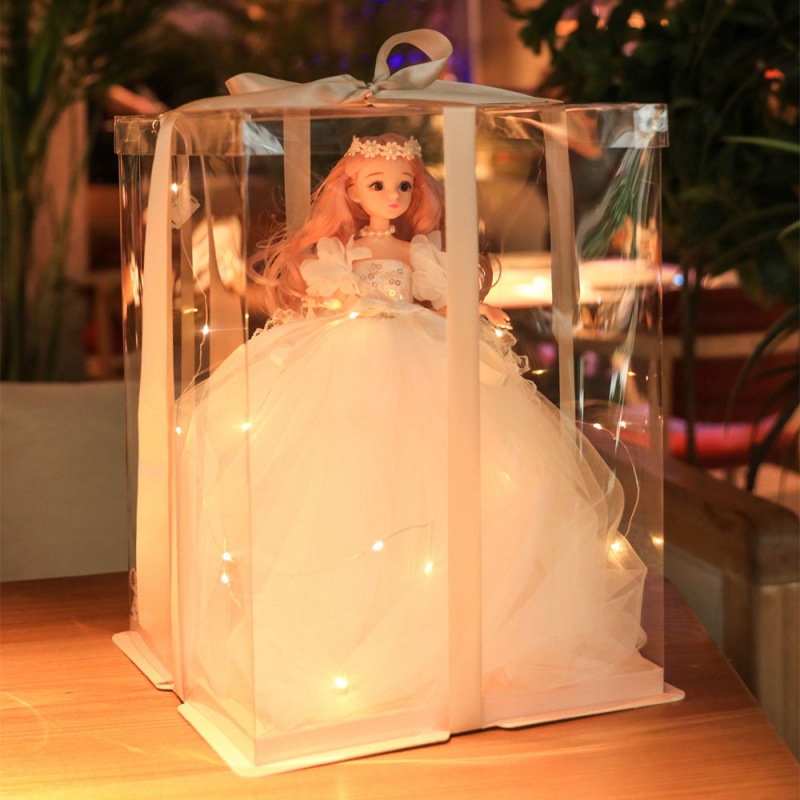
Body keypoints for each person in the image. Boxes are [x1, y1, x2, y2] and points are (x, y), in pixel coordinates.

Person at [176, 133, 649, 738]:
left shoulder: (415, 251)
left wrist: (476, 311)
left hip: (416, 351)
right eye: (378, 185)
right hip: (350, 356)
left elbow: (439, 302)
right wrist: (330, 313)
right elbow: (320, 299)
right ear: (352, 191)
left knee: (450, 467)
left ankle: (443, 625)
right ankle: (352, 612)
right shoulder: (340, 251)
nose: (394, 196)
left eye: (404, 185)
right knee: (347, 469)